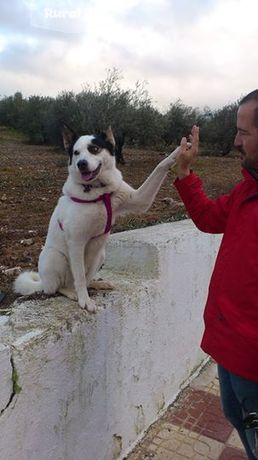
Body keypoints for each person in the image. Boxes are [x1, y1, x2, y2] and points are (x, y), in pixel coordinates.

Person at [174, 89, 258, 460]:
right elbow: (209, 217)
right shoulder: (247, 191)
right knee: (237, 421)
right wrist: (186, 172)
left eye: (244, 133)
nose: (235, 141)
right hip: (229, 351)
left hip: (252, 362)